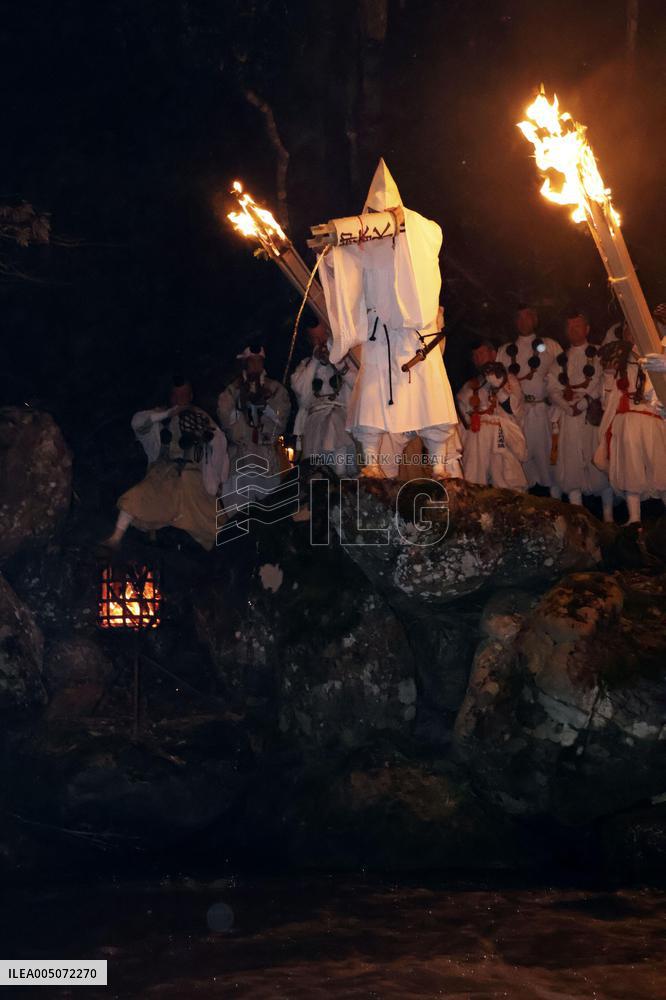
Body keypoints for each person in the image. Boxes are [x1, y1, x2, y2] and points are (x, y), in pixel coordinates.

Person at [318, 159, 461, 479]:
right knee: (371, 400)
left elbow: (431, 233)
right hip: (378, 335)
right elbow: (341, 272)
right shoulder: (362, 244)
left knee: (429, 400)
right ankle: (370, 463)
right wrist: (331, 254)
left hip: (413, 334)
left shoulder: (419, 230)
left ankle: (438, 465)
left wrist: (402, 219)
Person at [103, 376, 228, 550]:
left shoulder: (201, 417)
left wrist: (218, 477)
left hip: (193, 478)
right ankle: (115, 539)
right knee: (136, 496)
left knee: (215, 527)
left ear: (190, 396)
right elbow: (138, 422)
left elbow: (219, 444)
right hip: (164, 474)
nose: (180, 400)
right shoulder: (162, 417)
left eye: (184, 395)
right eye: (176, 396)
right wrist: (167, 414)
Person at [547, 310, 614, 521]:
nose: (573, 330)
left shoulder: (599, 353)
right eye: (570, 326)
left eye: (578, 325)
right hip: (568, 417)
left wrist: (585, 401)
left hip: (591, 415)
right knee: (570, 462)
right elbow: (552, 386)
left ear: (587, 329)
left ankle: (609, 515)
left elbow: (604, 380)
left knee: (598, 460)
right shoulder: (561, 359)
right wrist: (567, 406)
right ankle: (578, 516)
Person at [594, 331, 666, 524]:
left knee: (661, 467)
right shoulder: (620, 362)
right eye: (628, 330)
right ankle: (634, 518)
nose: (631, 334)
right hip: (628, 420)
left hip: (654, 417)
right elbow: (607, 401)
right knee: (629, 469)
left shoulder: (659, 354)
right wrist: (609, 375)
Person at [497, 304, 560, 493]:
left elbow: (562, 378)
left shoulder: (550, 345)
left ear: (535, 319)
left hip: (542, 411)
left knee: (547, 456)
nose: (524, 321)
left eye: (528, 316)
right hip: (517, 414)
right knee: (520, 456)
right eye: (519, 317)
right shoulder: (505, 350)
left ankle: (556, 502)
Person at [217, 344, 290, 508]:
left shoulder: (275, 388)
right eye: (252, 362)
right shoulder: (233, 389)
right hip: (241, 454)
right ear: (245, 363)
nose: (256, 366)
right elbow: (224, 415)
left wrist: (266, 405)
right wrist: (240, 398)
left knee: (269, 504)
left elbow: (282, 417)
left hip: (266, 454)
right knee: (239, 504)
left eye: (259, 361)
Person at [290, 314, 357, 476]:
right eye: (315, 339)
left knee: (335, 428)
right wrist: (314, 360)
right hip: (314, 422)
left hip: (342, 419)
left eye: (323, 337)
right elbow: (303, 397)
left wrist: (338, 362)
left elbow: (359, 385)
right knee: (317, 473)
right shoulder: (305, 366)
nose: (320, 343)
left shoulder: (348, 359)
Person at [457, 340, 527, 489]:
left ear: (493, 354)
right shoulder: (470, 385)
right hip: (477, 441)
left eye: (481, 353)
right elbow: (462, 418)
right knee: (473, 480)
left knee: (506, 480)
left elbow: (513, 409)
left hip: (501, 435)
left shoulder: (510, 380)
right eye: (475, 355)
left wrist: (497, 385)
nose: (478, 358)